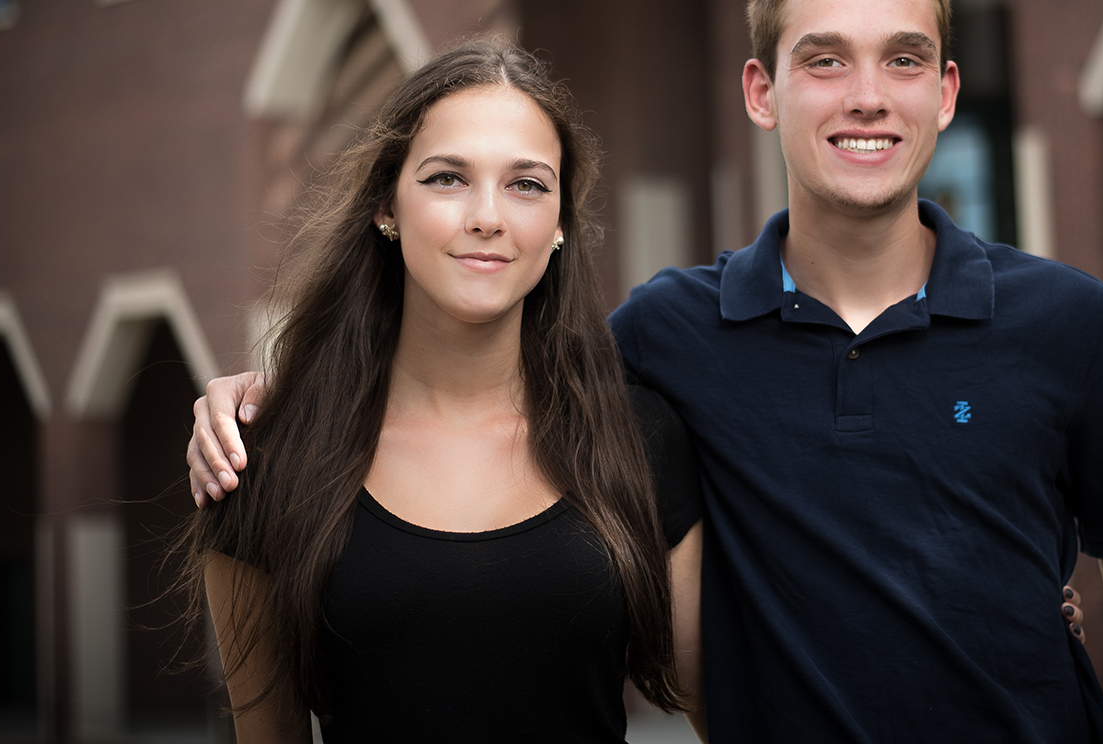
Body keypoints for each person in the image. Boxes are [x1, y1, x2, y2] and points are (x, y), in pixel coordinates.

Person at [193, 0, 1103, 743]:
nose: (867, 96)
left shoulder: (1067, 322)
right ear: (761, 92)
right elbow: (486, 372)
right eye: (824, 60)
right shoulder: (672, 333)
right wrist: (274, 398)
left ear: (945, 92)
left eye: (903, 59)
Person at [174, 40, 706, 742]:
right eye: (447, 178)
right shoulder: (264, 458)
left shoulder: (641, 439)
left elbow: (724, 711)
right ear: (386, 208)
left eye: (526, 184)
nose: (487, 216)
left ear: (559, 228)